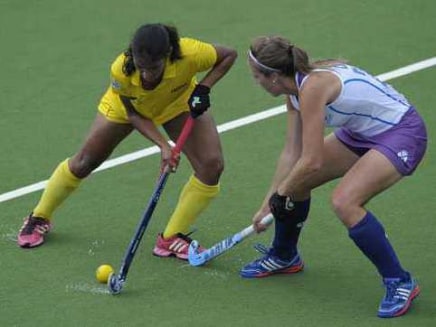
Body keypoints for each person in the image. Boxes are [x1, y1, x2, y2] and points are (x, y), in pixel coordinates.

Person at [17, 23, 237, 261]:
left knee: (211, 165)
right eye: (142, 68)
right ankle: (38, 216)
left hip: (177, 103)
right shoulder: (122, 69)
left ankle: (170, 237)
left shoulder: (190, 53)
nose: (146, 75)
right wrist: (164, 146)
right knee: (84, 161)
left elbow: (228, 55)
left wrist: (204, 88)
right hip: (127, 109)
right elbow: (134, 115)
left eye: (153, 68)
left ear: (168, 55)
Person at [241, 35, 426, 318]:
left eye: (256, 77)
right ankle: (284, 255)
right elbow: (294, 152)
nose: (256, 82)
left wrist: (283, 193)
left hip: (401, 133)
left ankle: (399, 281)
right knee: (296, 181)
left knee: (344, 201)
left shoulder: (312, 89)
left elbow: (312, 160)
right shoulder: (294, 91)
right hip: (360, 133)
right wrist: (271, 199)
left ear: (275, 77)